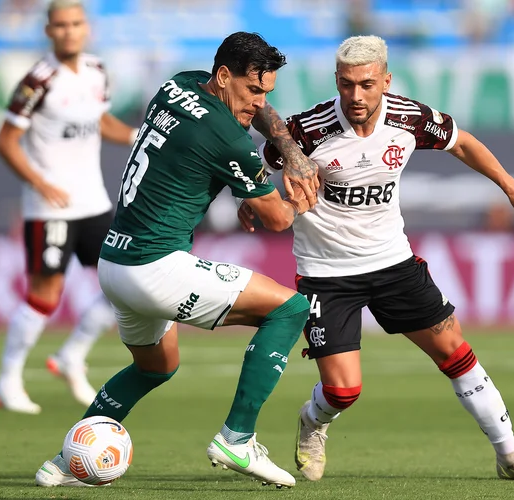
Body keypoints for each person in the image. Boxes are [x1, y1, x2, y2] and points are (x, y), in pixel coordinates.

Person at [243, 35, 514, 483]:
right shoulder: (307, 129)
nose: (355, 96)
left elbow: (463, 143)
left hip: (393, 262)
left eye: (366, 84)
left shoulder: (409, 117)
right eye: (346, 85)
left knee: (455, 351)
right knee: (343, 391)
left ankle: (510, 454)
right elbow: (259, 166)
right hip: (327, 273)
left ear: (386, 80)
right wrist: (252, 198)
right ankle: (312, 422)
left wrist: (510, 186)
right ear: (336, 81)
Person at [34, 31, 318, 489]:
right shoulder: (228, 138)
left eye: (267, 91)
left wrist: (278, 154)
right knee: (290, 308)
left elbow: (241, 127)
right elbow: (279, 219)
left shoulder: (178, 85)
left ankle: (66, 462)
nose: (260, 102)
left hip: (115, 263)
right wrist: (300, 184)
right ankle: (237, 438)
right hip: (155, 267)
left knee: (156, 367)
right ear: (224, 76)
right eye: (252, 90)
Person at [0, 0, 139, 414]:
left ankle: (72, 354)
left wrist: (135, 136)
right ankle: (7, 379)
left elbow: (101, 121)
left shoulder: (96, 71)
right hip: (49, 206)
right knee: (46, 293)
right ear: (48, 30)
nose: (69, 31)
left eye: (75, 23)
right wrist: (41, 183)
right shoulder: (37, 80)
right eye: (60, 25)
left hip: (93, 200)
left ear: (86, 28)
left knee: (122, 282)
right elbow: (5, 141)